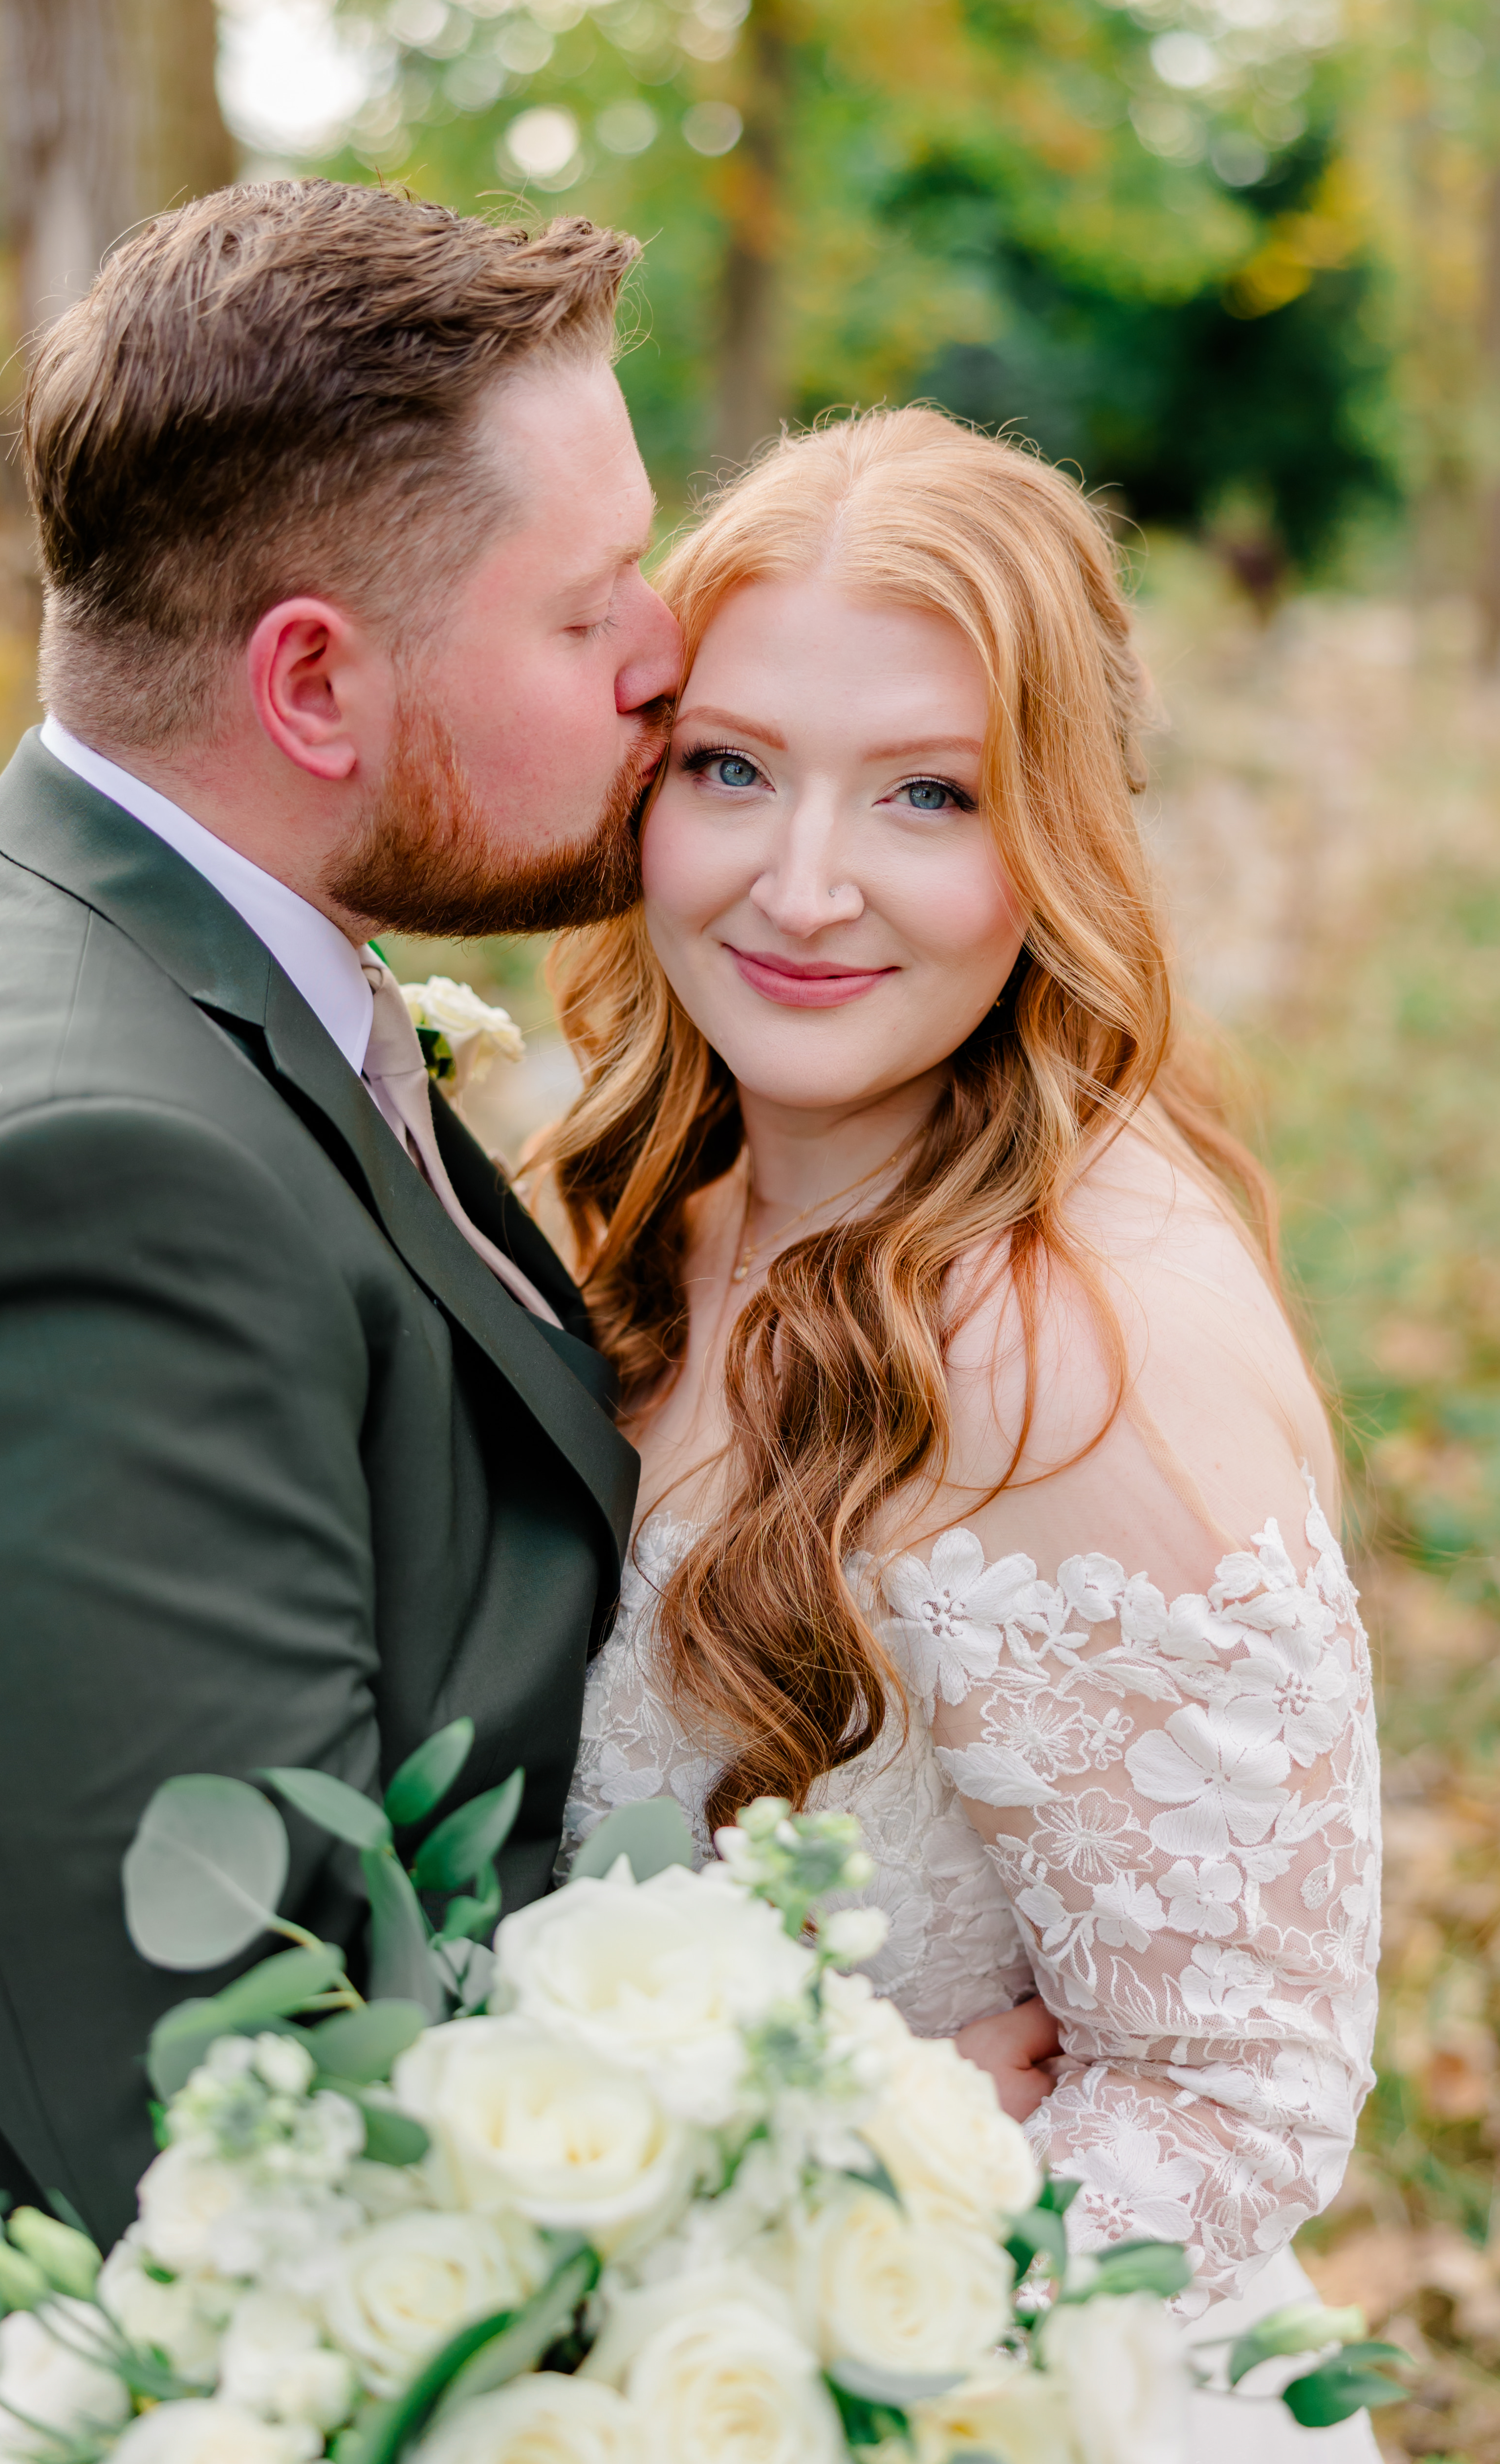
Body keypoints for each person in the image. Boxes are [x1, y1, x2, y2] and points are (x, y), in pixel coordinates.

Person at [0, 177, 685, 2354]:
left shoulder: (185, 975)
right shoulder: (82, 1177)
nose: (666, 658)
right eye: (593, 607)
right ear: (313, 684)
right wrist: (819, 2116)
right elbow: (251, 2091)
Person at [542, 408, 1383, 2458]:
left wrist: (815, 2259)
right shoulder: (640, 1200)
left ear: (1057, 836)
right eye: (731, 768)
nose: (801, 884)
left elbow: (1227, 2104)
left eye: (927, 792)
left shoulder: (1075, 1344)